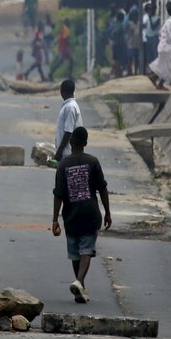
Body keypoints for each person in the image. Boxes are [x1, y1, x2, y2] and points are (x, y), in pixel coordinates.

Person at [52, 126, 111, 304]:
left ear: (71, 142)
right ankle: (79, 283)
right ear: (86, 143)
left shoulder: (63, 165)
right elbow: (103, 189)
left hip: (71, 216)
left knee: (75, 253)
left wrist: (55, 218)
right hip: (90, 214)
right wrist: (108, 212)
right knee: (86, 249)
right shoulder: (93, 162)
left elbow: (58, 194)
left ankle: (80, 287)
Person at [148, 3, 171, 90]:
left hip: (167, 48)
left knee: (164, 66)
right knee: (168, 67)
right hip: (166, 48)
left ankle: (155, 79)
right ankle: (159, 83)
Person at [51, 79, 83, 165]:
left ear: (62, 91)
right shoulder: (69, 106)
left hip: (68, 153)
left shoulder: (70, 107)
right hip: (67, 153)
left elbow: (68, 131)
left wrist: (59, 151)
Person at [143, 3, 161, 70]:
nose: (150, 11)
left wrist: (150, 18)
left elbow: (153, 27)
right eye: (149, 9)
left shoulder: (157, 18)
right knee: (149, 55)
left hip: (154, 37)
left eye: (151, 9)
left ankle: (156, 69)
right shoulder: (146, 17)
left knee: (154, 54)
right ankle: (151, 69)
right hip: (148, 37)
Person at [125, 10, 139, 76]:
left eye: (136, 15)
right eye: (134, 16)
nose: (135, 17)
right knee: (130, 59)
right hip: (130, 44)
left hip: (137, 44)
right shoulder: (129, 24)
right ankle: (129, 72)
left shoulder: (139, 23)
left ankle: (136, 72)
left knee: (136, 59)